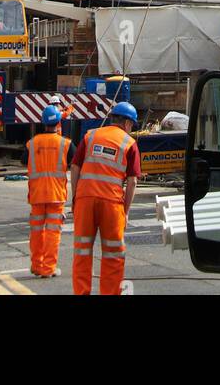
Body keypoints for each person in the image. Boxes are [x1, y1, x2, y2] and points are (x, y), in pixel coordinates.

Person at [70, 102, 140, 296]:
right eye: (132, 125)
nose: (131, 129)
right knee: (113, 254)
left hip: (85, 200)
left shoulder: (90, 135)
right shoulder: (129, 143)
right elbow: (132, 182)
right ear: (126, 123)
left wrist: (76, 198)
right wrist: (125, 212)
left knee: (82, 251)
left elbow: (75, 168)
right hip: (111, 203)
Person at [25, 105, 73, 279]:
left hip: (37, 195)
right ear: (58, 122)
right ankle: (48, 268)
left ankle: (37, 266)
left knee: (37, 232)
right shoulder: (65, 144)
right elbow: (75, 164)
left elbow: (25, 161)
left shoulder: (32, 143)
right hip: (56, 195)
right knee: (53, 232)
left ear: (43, 123)